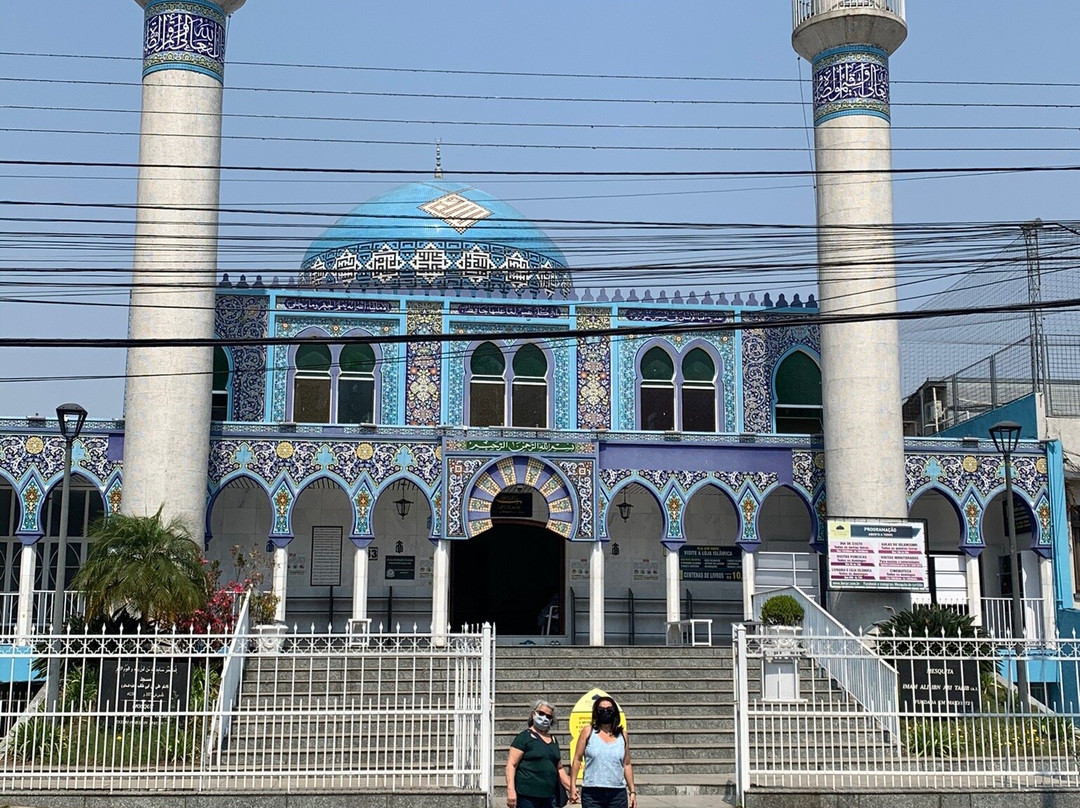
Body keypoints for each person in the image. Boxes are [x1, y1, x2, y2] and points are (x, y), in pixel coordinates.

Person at [569, 695, 636, 808]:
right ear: (596, 712)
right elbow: (577, 759)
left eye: (609, 710)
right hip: (592, 793)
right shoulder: (588, 732)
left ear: (615, 712)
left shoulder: (623, 735)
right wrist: (572, 785)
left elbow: (627, 764)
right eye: (601, 710)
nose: (605, 712)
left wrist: (632, 791)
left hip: (617, 793)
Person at [506, 699, 574, 808]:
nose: (544, 718)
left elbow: (559, 768)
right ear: (534, 714)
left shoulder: (554, 740)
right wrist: (511, 790)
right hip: (527, 796)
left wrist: (571, 788)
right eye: (541, 713)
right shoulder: (524, 737)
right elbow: (511, 765)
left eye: (549, 716)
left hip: (549, 797)